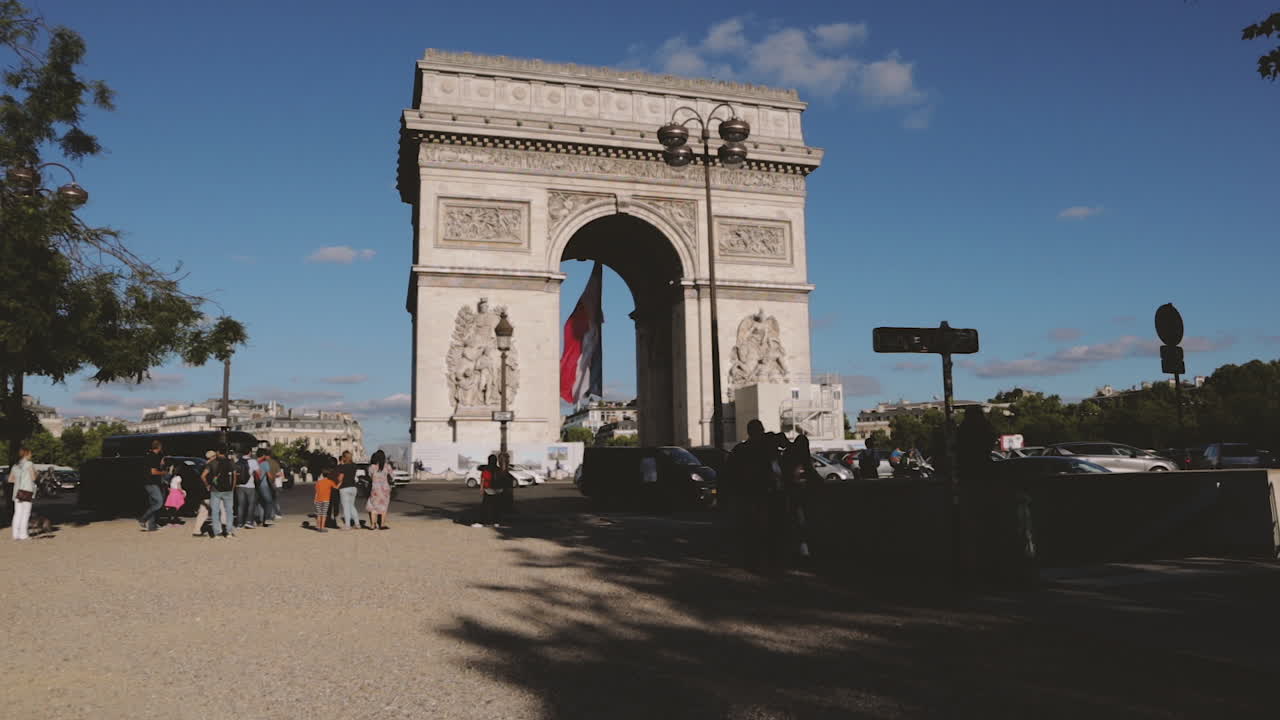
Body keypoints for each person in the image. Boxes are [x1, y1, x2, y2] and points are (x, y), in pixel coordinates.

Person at [726, 419, 784, 573]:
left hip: (747, 494)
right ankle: (767, 561)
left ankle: (753, 561)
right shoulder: (765, 448)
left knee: (751, 529)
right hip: (763, 493)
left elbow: (730, 473)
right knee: (765, 528)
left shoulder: (740, 450)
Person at [781, 433, 822, 561]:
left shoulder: (788, 457)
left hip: (791, 494)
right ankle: (804, 550)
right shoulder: (804, 459)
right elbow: (812, 474)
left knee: (796, 522)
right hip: (801, 495)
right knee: (802, 522)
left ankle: (797, 549)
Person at [201, 447, 238, 539]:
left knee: (215, 511)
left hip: (215, 490)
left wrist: (207, 485)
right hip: (228, 490)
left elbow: (203, 476)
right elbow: (234, 476)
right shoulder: (231, 462)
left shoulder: (212, 463)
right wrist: (232, 487)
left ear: (217, 452)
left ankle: (217, 532)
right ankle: (229, 532)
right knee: (229, 511)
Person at [470, 454, 508, 528]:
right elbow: (502, 479)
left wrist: (481, 488)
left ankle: (483, 522)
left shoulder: (486, 469)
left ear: (489, 460)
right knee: (497, 507)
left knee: (485, 507)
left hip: (488, 490)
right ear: (495, 461)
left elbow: (483, 479)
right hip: (498, 491)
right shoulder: (498, 469)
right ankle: (496, 522)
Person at [140, 440, 168, 532]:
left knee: (153, 504)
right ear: (159, 447)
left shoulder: (149, 456)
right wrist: (163, 472)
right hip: (152, 483)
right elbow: (153, 471)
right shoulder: (153, 457)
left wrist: (160, 464)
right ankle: (143, 519)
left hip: (147, 483)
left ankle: (152, 526)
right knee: (159, 503)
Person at [9, 446, 35, 541]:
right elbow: (33, 478)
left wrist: (19, 480)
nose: (31, 455)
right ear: (26, 454)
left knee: (17, 513)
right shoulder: (29, 464)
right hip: (27, 491)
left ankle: (15, 535)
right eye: (30, 453)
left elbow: (10, 479)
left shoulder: (15, 465)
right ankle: (23, 534)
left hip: (17, 492)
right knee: (26, 513)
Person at [365, 449, 392, 530]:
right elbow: (392, 476)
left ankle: (373, 525)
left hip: (375, 489)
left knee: (373, 506)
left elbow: (370, 476)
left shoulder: (371, 467)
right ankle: (382, 524)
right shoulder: (387, 466)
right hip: (385, 489)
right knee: (384, 506)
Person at [192, 450, 216, 537]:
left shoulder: (202, 465)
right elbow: (203, 476)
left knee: (203, 511)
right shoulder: (210, 465)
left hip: (201, 490)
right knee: (211, 509)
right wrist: (208, 485)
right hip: (207, 491)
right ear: (213, 457)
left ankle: (197, 530)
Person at [234, 449, 260, 530]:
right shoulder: (253, 461)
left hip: (239, 486)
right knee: (251, 504)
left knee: (240, 505)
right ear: (250, 452)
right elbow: (259, 473)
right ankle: (249, 522)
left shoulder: (238, 461)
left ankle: (239, 523)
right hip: (250, 486)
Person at [335, 451, 360, 529]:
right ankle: (357, 524)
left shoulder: (343, 467)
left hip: (345, 487)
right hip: (353, 487)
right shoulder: (354, 466)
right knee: (352, 506)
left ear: (344, 457)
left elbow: (340, 478)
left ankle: (347, 525)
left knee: (346, 507)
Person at [253, 448, 276, 527]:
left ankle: (260, 520)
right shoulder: (265, 463)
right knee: (269, 501)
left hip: (255, 485)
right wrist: (273, 479)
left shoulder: (254, 462)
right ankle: (267, 519)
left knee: (260, 503)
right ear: (263, 455)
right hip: (264, 485)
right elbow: (269, 475)